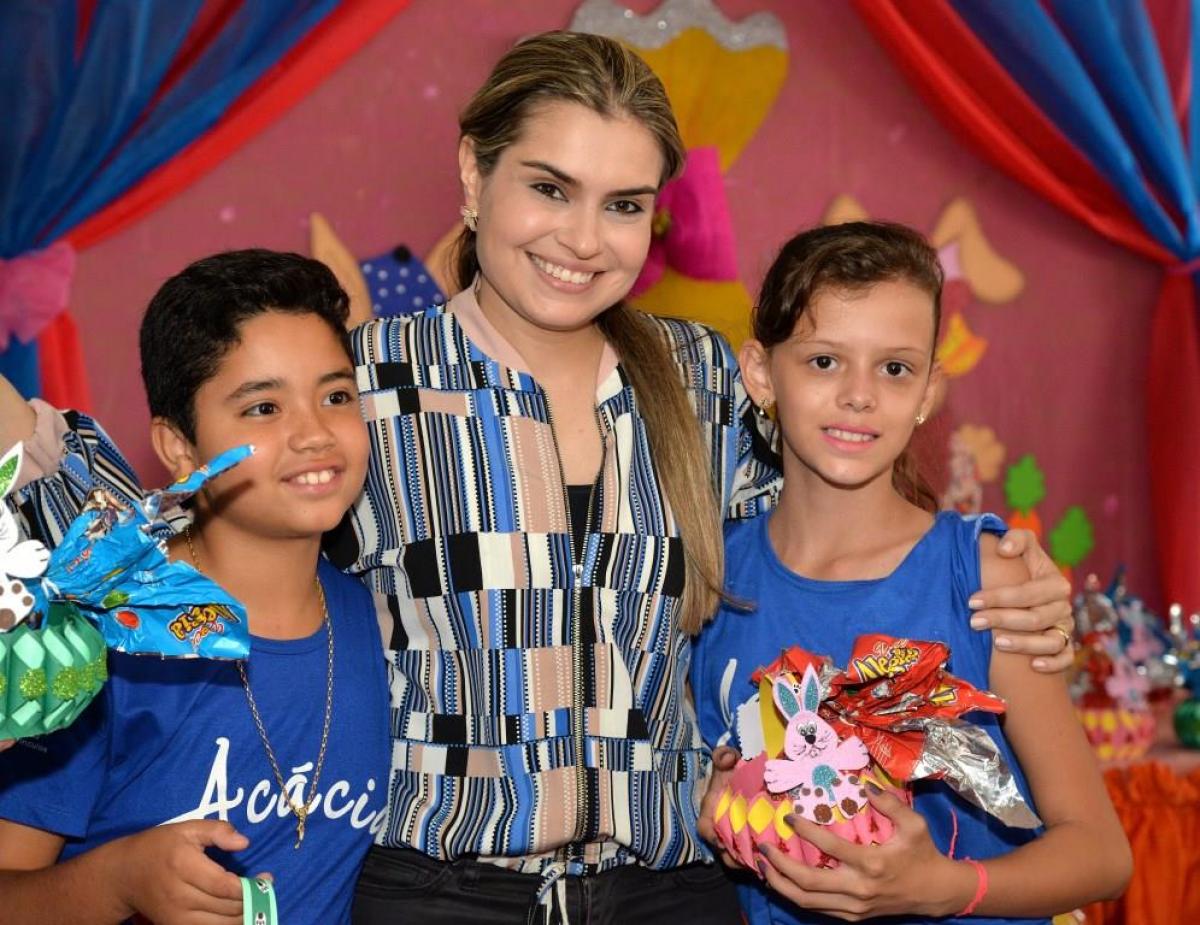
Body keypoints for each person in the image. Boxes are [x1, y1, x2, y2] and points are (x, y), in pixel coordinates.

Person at [0, 32, 1074, 925]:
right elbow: (150, 527)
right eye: (550, 188)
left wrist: (1006, 582)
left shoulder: (704, 379)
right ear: (475, 177)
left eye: (623, 204)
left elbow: (838, 525)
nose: (582, 238)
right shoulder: (367, 386)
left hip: (677, 892)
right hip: (436, 892)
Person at [689, 222, 1132, 924]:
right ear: (761, 373)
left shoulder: (985, 578)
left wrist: (946, 886)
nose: (859, 395)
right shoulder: (712, 576)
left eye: (894, 368)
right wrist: (717, 807)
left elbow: (1101, 854)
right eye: (825, 361)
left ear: (928, 389)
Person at [0, 251, 391, 925]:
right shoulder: (96, 640)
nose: (314, 434)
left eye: (336, 396)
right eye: (264, 407)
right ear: (180, 448)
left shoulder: (381, 616)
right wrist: (118, 880)